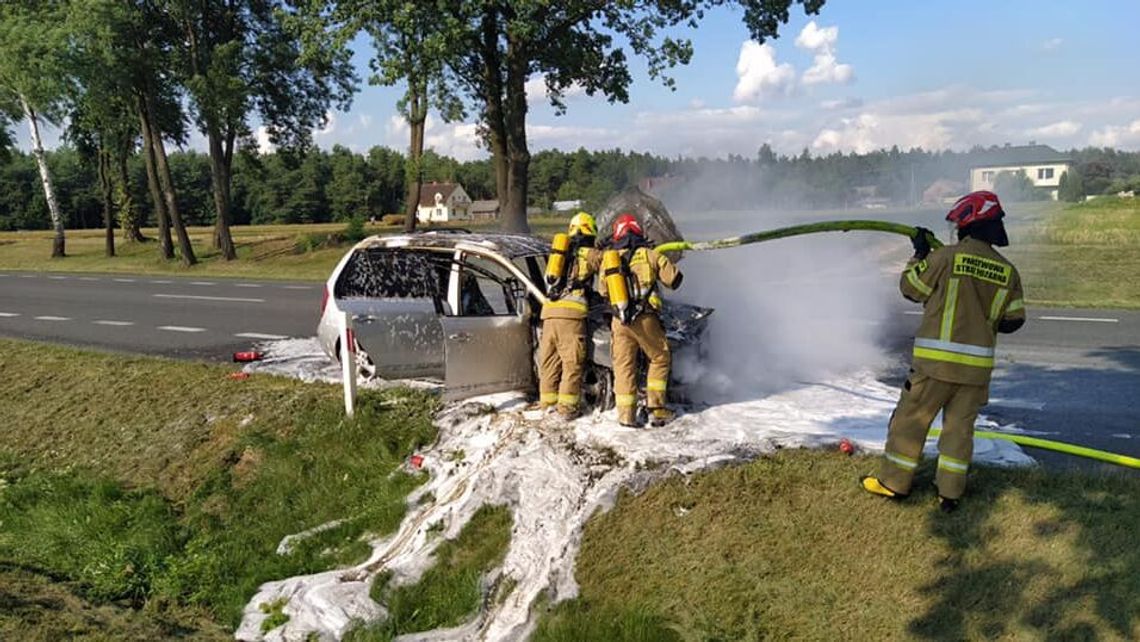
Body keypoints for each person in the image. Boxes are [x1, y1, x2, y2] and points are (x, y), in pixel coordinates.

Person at [862, 190, 1026, 512]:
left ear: (967, 223)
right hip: (975, 372)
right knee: (959, 433)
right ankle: (949, 494)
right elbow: (1014, 321)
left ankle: (894, 484)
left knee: (910, 423)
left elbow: (912, 289)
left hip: (935, 367)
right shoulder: (1008, 272)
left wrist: (919, 255)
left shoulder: (945, 258)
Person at [599, 213, 683, 428]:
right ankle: (656, 409)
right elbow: (674, 280)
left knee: (624, 366)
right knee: (660, 358)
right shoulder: (650, 254)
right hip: (645, 318)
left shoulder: (610, 259)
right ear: (638, 231)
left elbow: (602, 291)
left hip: (619, 321)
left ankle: (626, 416)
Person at [538, 212, 603, 420]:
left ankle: (547, 405)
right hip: (571, 317)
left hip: (549, 313)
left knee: (549, 363)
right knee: (571, 364)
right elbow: (609, 266)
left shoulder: (559, 254)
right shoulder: (588, 253)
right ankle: (567, 410)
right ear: (590, 231)